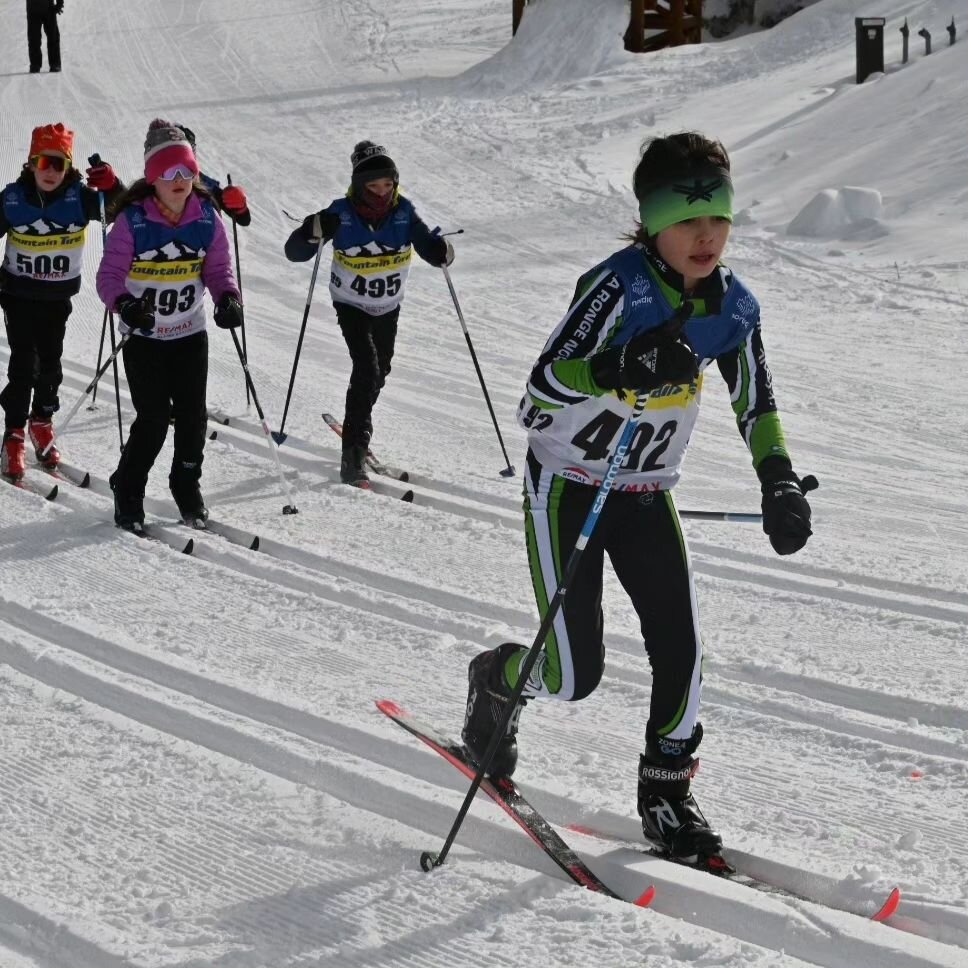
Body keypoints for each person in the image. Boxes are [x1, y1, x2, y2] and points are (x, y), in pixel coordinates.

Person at [461, 132, 814, 866]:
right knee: (571, 676)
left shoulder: (732, 306)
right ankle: (497, 680)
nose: (706, 235)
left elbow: (758, 403)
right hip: (568, 489)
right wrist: (621, 366)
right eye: (688, 221)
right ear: (652, 222)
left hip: (647, 493)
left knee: (681, 653)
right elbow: (540, 392)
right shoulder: (618, 287)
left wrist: (778, 479)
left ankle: (666, 791)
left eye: (718, 216)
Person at [96, 120, 242, 531]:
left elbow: (218, 269)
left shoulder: (206, 219)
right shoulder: (133, 221)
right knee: (155, 418)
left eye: (187, 172)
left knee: (194, 418)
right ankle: (128, 489)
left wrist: (228, 298)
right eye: (169, 172)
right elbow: (108, 277)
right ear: (152, 178)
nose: (179, 180)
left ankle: (185, 485)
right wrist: (124, 306)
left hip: (189, 333)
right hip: (145, 337)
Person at [284, 141, 454, 486]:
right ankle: (354, 455)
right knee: (367, 366)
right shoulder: (340, 212)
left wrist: (442, 251)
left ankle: (356, 421)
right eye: (373, 186)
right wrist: (310, 231)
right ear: (359, 186)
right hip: (350, 303)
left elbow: (429, 248)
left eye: (388, 185)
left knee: (381, 369)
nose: (381, 193)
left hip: (388, 305)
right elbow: (295, 252)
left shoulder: (404, 211)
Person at [0, 123, 120, 479]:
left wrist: (112, 186)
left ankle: (42, 420)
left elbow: (123, 211)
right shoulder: (12, 199)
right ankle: (14, 432)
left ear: (69, 167)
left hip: (57, 297)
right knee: (25, 364)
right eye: (43, 162)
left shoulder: (81, 198)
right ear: (31, 162)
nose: (50, 171)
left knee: (51, 362)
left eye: (58, 164)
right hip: (18, 295)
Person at [172, 124, 251, 227]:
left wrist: (239, 205)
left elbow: (244, 220)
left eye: (185, 153)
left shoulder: (206, 186)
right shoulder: (155, 186)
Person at [26, 0, 62, 73]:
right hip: (36, 9)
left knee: (52, 36)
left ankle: (53, 64)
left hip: (46, 8)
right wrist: (59, 4)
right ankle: (36, 65)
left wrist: (59, 3)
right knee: (34, 38)